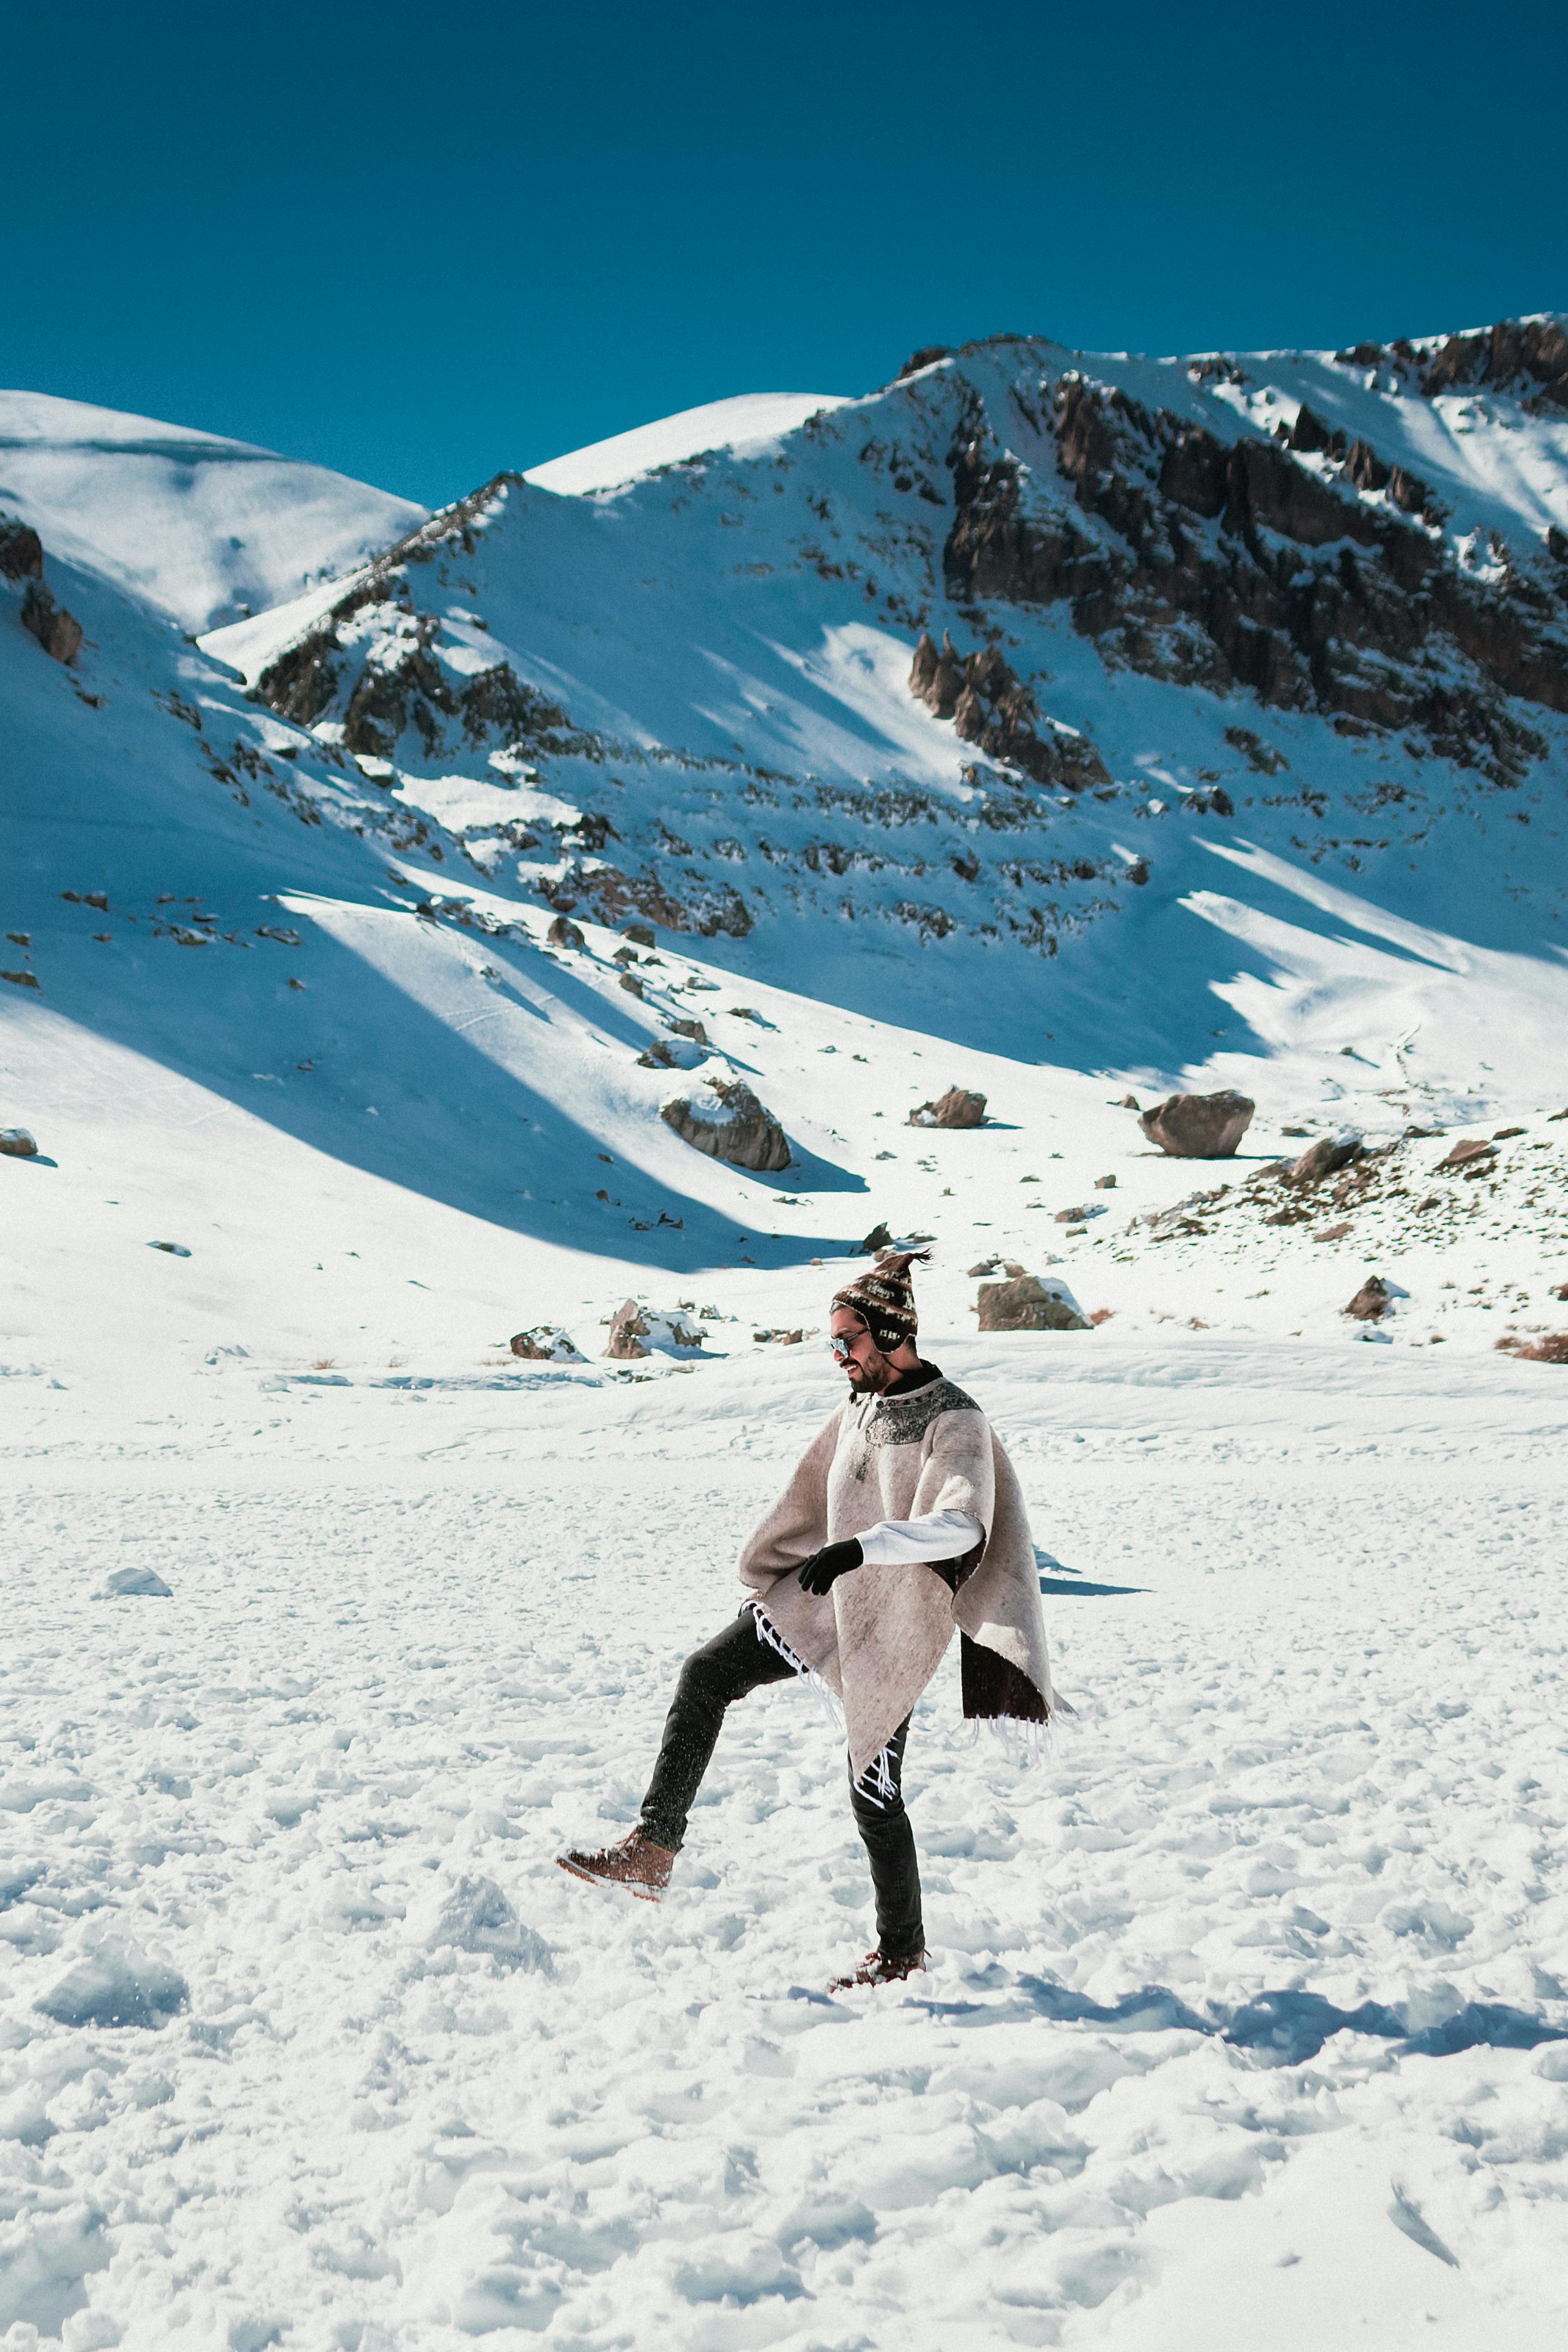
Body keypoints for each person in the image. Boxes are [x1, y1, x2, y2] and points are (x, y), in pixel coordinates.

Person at [558, 1250, 1055, 1986]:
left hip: (890, 1625)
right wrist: (777, 1561)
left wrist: (868, 1547)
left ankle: (901, 1953)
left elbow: (961, 1525)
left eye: (847, 1340)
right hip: (816, 1599)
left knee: (874, 1797)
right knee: (706, 1673)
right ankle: (655, 1848)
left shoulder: (955, 1420)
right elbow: (809, 1496)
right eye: (832, 1342)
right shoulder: (858, 1404)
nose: (838, 1356)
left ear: (890, 1333)